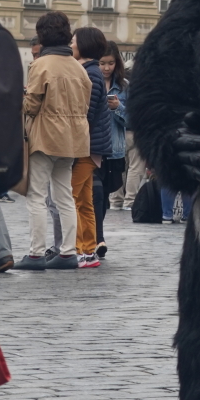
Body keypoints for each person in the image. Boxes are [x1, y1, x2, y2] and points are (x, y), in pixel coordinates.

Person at [19, 13, 93, 271]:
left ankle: (36, 254)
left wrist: (21, 99)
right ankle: (68, 252)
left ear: (42, 35)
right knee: (65, 196)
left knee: (36, 196)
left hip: (46, 136)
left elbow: (31, 105)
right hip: (74, 138)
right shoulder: (78, 67)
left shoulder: (41, 65)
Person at [72, 27, 112, 266]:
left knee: (69, 197)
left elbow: (85, 114)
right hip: (91, 146)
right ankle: (88, 250)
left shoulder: (90, 73)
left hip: (87, 146)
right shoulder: (91, 71)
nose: (71, 44)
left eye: (74, 41)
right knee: (85, 201)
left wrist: (74, 145)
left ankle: (77, 249)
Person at [93, 41, 128, 248]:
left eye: (111, 63)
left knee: (104, 195)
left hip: (114, 150)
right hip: (94, 147)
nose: (106, 68)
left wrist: (118, 107)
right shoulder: (89, 81)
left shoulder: (124, 87)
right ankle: (97, 237)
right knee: (95, 193)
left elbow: (132, 120)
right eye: (102, 63)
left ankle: (98, 233)